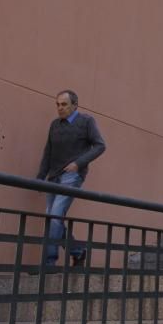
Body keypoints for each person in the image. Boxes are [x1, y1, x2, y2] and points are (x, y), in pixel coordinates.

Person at [36, 90, 106, 266]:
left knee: (54, 216)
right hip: (53, 177)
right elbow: (48, 152)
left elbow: (100, 145)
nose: (60, 108)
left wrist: (78, 163)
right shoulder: (55, 125)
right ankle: (78, 251)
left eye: (64, 104)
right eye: (58, 104)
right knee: (53, 218)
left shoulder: (86, 122)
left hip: (72, 176)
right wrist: (39, 178)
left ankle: (48, 263)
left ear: (75, 105)